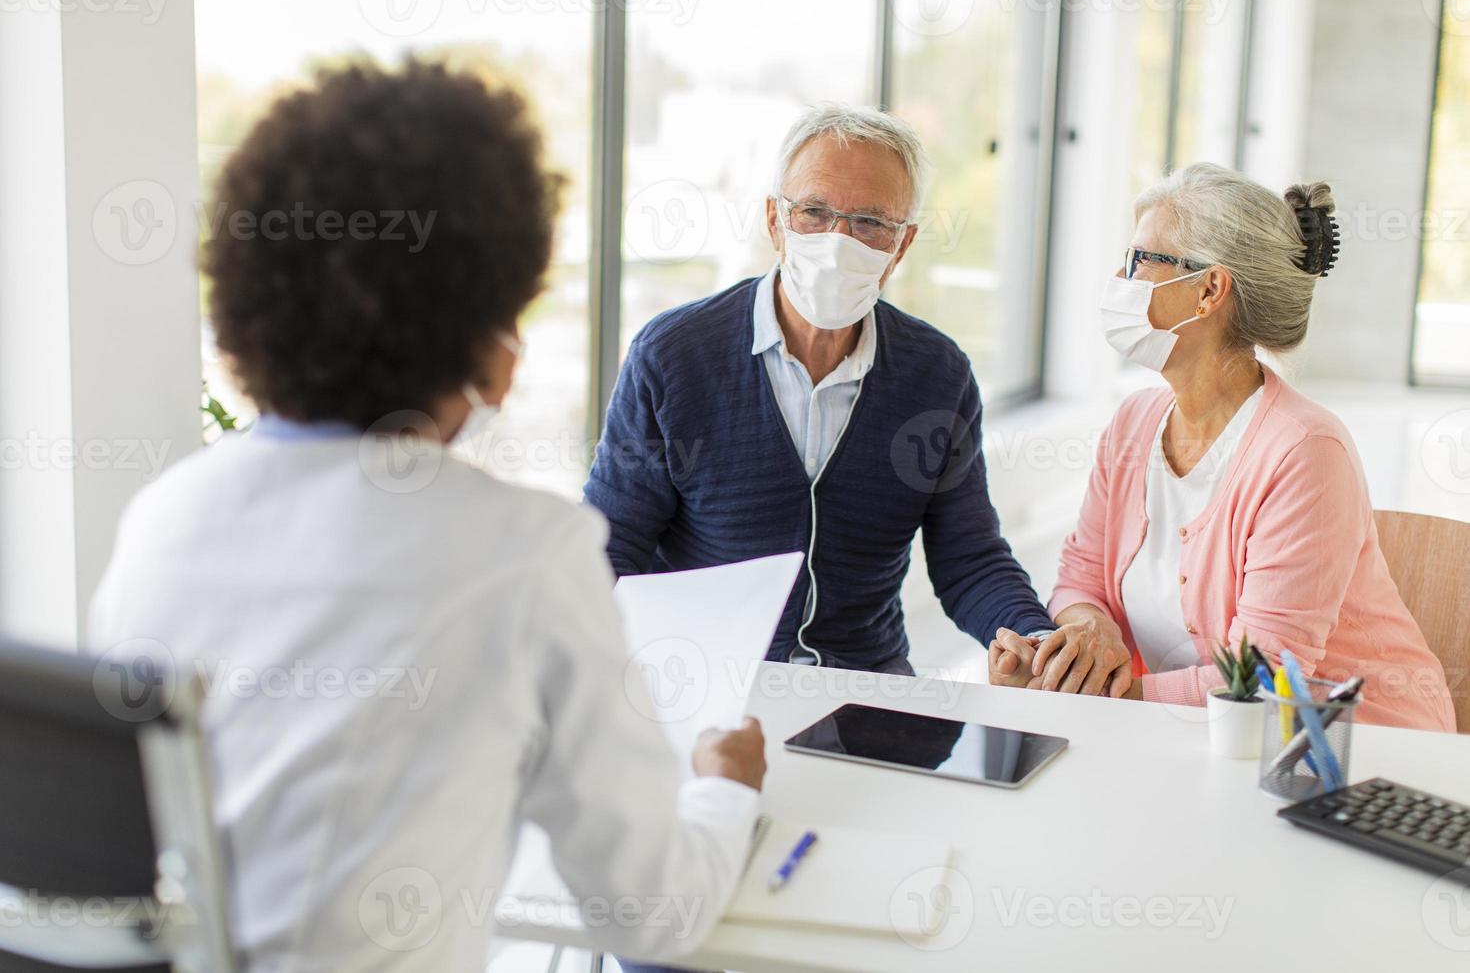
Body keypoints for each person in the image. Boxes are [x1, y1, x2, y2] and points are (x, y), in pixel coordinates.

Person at [88, 61, 770, 970]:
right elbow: (648, 915)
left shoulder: (165, 517)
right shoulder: (525, 553)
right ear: (489, 348)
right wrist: (725, 791)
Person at [584, 104, 1113, 688]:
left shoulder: (937, 374)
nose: (838, 241)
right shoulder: (675, 356)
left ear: (902, 245)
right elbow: (612, 548)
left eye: (869, 222)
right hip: (706, 684)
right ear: (774, 221)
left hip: (868, 687)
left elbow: (969, 558)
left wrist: (1032, 639)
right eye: (813, 211)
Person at [989, 163, 1456, 732]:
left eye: (1140, 261)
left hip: (1347, 754)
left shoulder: (1307, 453)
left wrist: (1092, 697)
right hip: (1198, 741)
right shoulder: (1134, 421)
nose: (1120, 276)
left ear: (1209, 289)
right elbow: (1081, 576)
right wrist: (1080, 644)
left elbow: (1258, 676)